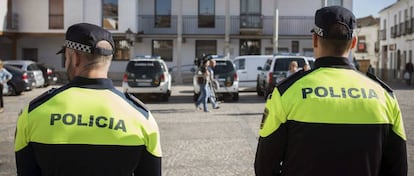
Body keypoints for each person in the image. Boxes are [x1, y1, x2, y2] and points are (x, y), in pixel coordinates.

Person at [255, 6, 407, 176]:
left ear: (314, 39)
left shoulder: (286, 93)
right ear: (354, 42)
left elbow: (265, 167)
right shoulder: (385, 96)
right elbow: (398, 169)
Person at [14, 23, 162, 176]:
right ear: (108, 60)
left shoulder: (32, 113)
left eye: (66, 57)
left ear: (75, 58)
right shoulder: (142, 118)